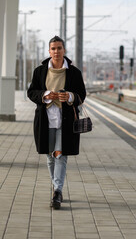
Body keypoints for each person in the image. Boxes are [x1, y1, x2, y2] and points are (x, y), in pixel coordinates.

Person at [27, 36, 86, 209]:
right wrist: (45, 95)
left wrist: (69, 96)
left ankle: (58, 191)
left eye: (59, 48)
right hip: (46, 120)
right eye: (53, 49)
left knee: (61, 154)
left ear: (64, 50)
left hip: (65, 120)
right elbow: (31, 93)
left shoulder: (74, 72)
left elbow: (81, 94)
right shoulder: (40, 71)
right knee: (49, 155)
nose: (56, 52)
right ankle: (56, 188)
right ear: (49, 51)